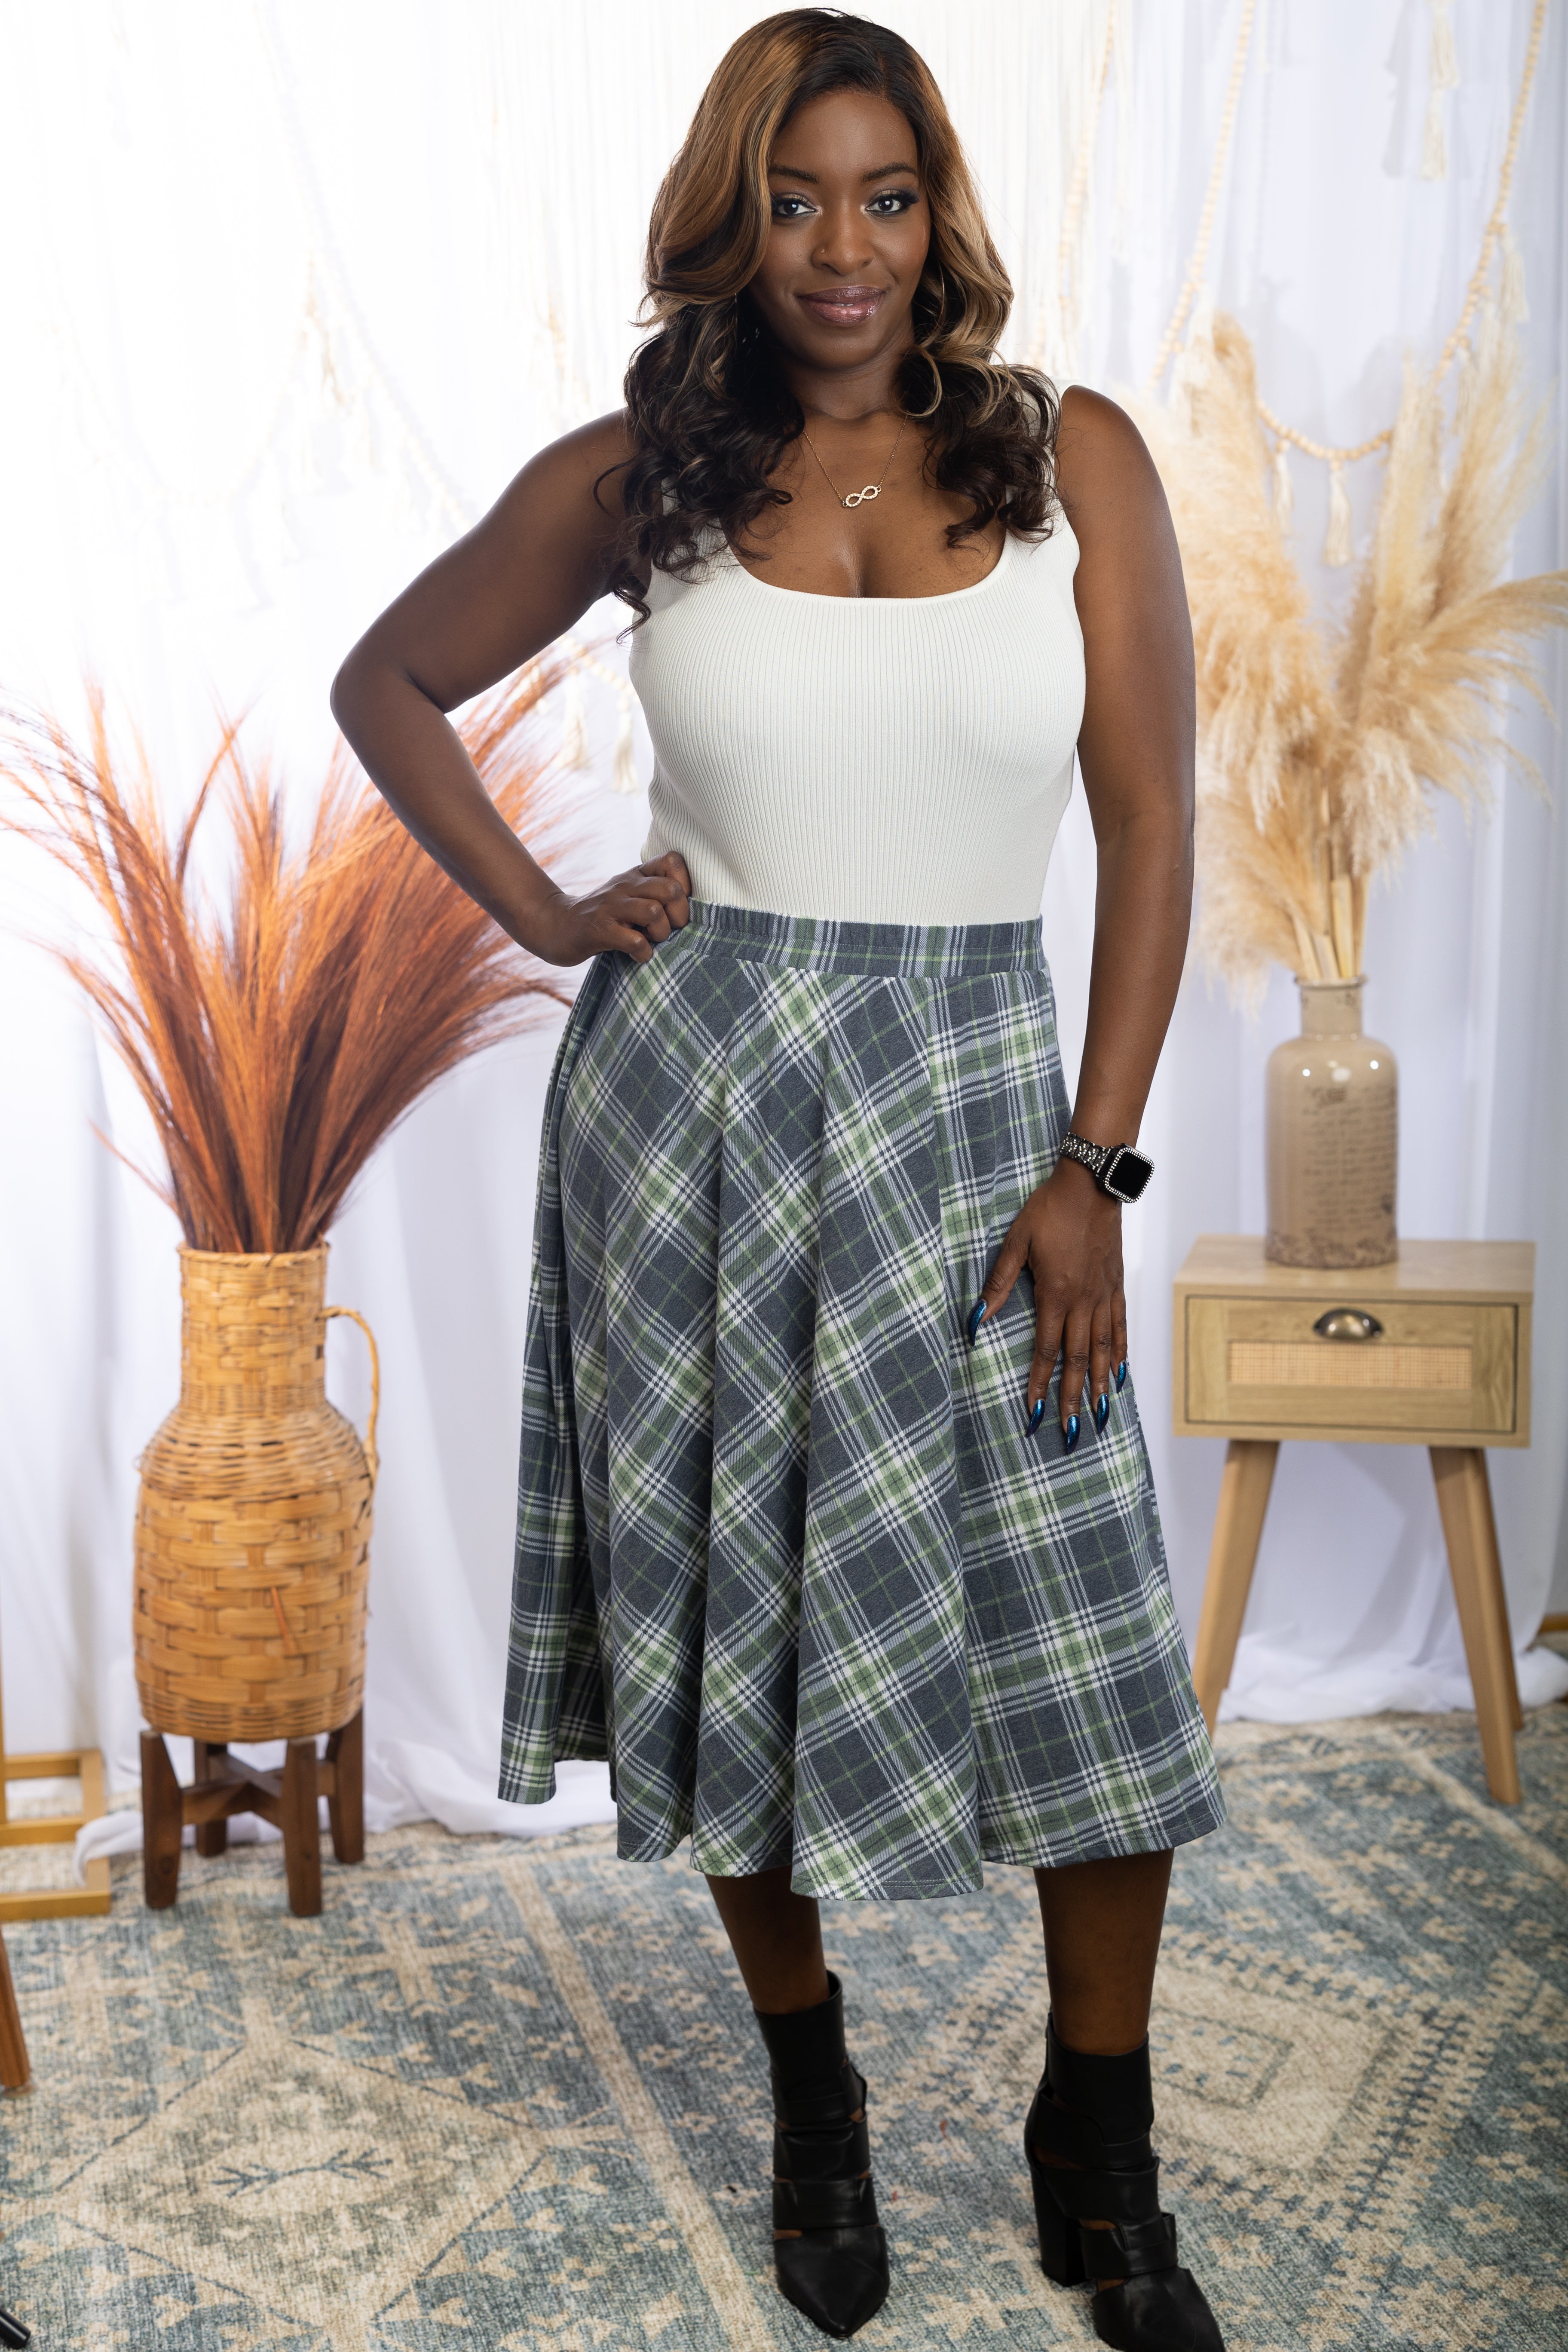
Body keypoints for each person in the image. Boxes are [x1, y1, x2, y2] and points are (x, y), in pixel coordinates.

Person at [332, 12, 1226, 2346]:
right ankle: (812, 2098)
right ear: (735, 225)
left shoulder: (1076, 464)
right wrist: (548, 912)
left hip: (987, 1112)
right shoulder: (645, 477)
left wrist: (1095, 1163)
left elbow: (1152, 824)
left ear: (940, 218)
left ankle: (1099, 2139)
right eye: (797, 201)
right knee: (736, 1629)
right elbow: (388, 683)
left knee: (1083, 1644)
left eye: (886, 197)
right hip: (696, 1121)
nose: (845, 248)